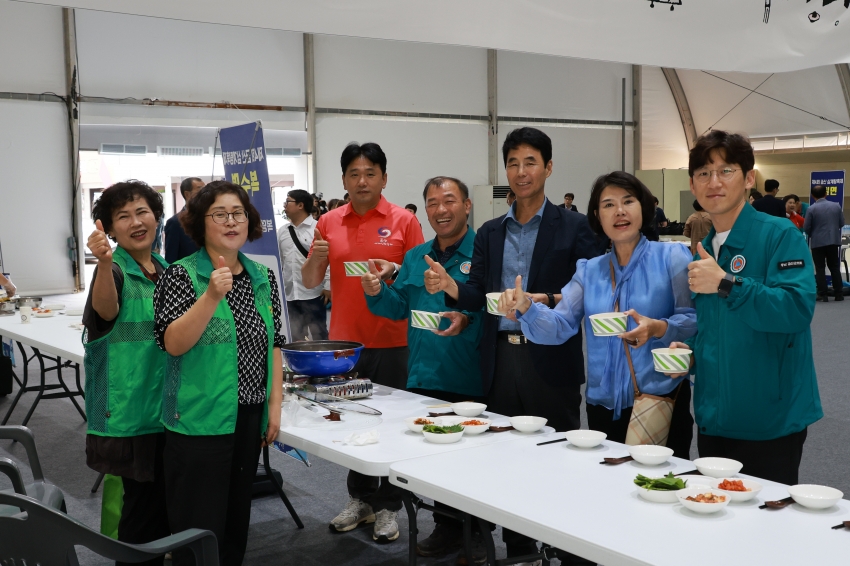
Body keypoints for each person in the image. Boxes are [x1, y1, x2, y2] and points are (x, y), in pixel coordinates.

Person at [424, 127, 598, 563]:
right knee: (504, 456)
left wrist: (545, 298)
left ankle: (561, 545)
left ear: (549, 168)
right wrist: (452, 288)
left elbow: (587, 290)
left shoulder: (576, 227)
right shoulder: (489, 231)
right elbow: (479, 292)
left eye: (531, 162)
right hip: (500, 357)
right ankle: (518, 550)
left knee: (556, 454)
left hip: (550, 357)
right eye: (514, 163)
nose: (521, 172)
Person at [500, 171, 696, 459]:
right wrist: (527, 308)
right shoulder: (589, 270)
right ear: (597, 215)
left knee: (659, 488)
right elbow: (560, 326)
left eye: (628, 201)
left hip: (659, 400)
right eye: (608, 205)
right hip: (602, 406)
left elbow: (692, 319)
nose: (619, 211)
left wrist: (658, 328)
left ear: (643, 207)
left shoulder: (673, 257)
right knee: (609, 491)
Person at [672, 129, 822, 486]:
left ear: (748, 179)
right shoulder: (707, 247)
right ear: (693, 186)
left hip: (769, 421)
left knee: (767, 532)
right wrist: (690, 352)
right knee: (716, 520)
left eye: (726, 171)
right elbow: (717, 329)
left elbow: (796, 309)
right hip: (715, 418)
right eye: (704, 173)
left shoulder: (779, 234)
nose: (714, 182)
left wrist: (726, 282)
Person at [153, 181, 284, 565]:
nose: (231, 221)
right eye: (219, 214)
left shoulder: (262, 276)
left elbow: (272, 343)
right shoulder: (180, 275)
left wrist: (273, 405)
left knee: (235, 517)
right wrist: (211, 296)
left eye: (238, 213)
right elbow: (172, 343)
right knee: (198, 522)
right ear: (200, 223)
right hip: (198, 418)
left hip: (246, 414)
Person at [302, 142, 424, 544]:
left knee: (392, 425)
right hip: (346, 344)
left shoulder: (403, 221)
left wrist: (396, 268)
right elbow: (309, 281)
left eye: (370, 173)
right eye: (354, 173)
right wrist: (318, 256)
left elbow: (423, 274)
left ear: (384, 178)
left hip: (393, 340)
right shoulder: (329, 222)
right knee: (352, 422)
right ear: (343, 180)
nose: (362, 180)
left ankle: (389, 505)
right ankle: (362, 499)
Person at [363, 176, 485, 562]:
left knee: (473, 460)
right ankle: (447, 529)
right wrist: (378, 292)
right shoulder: (415, 256)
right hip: (423, 374)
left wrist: (467, 318)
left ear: (467, 206)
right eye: (432, 203)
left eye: (449, 200)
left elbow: (492, 308)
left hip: (470, 373)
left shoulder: (484, 251)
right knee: (434, 457)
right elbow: (399, 306)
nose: (440, 209)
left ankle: (478, 535)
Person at [83, 180, 170, 565]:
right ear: (110, 227)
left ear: (156, 218)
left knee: (159, 511)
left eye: (142, 212)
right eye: (123, 216)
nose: (136, 222)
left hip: (166, 411)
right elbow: (105, 311)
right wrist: (103, 263)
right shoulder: (114, 271)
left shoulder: (166, 270)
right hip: (127, 416)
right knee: (136, 519)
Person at [277, 190, 330, 341]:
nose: (285, 205)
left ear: (300, 205)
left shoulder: (318, 228)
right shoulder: (282, 231)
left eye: (288, 202)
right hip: (290, 293)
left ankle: (321, 363)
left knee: (319, 334)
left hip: (314, 293)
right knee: (296, 335)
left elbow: (327, 259)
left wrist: (328, 285)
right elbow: (281, 262)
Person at [804, 184, 846, 302]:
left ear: (812, 196)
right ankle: (839, 293)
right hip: (833, 241)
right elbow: (842, 223)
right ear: (826, 194)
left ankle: (823, 294)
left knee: (820, 268)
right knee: (834, 267)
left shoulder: (811, 209)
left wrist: (814, 233)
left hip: (818, 242)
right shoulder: (836, 206)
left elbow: (807, 227)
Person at [164, 177, 202, 263]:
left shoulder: (208, 218)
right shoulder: (175, 223)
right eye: (200, 190)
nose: (204, 194)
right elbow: (171, 259)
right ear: (187, 194)